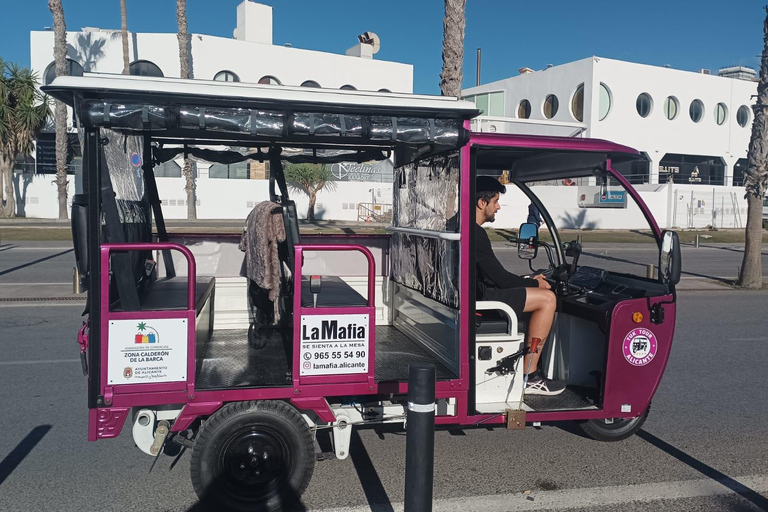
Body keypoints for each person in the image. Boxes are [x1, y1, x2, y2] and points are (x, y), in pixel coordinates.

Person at [475, 176, 565, 396]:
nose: (498, 206)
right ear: (481, 203)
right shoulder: (475, 233)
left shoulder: (461, 227)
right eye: (495, 201)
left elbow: (493, 275)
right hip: (483, 299)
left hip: (477, 293)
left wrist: (529, 280)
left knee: (533, 290)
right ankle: (531, 375)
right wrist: (535, 282)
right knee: (548, 299)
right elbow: (502, 280)